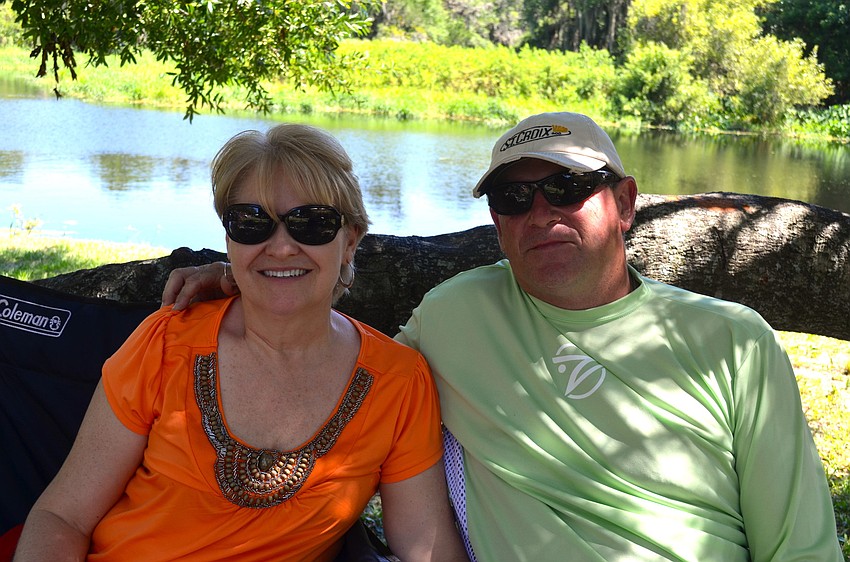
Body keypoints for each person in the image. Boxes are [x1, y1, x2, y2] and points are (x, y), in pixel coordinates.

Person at [160, 112, 843, 561]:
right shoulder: (456, 315)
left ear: (626, 203)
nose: (539, 211)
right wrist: (255, 271)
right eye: (514, 199)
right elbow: (341, 362)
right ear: (497, 220)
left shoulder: (733, 343)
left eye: (566, 187)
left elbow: (800, 547)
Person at [14, 124, 468, 562]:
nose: (282, 246)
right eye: (252, 222)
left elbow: (426, 545)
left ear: (350, 241)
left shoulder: (399, 383)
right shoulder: (166, 343)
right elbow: (63, 517)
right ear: (229, 241)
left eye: (311, 223)